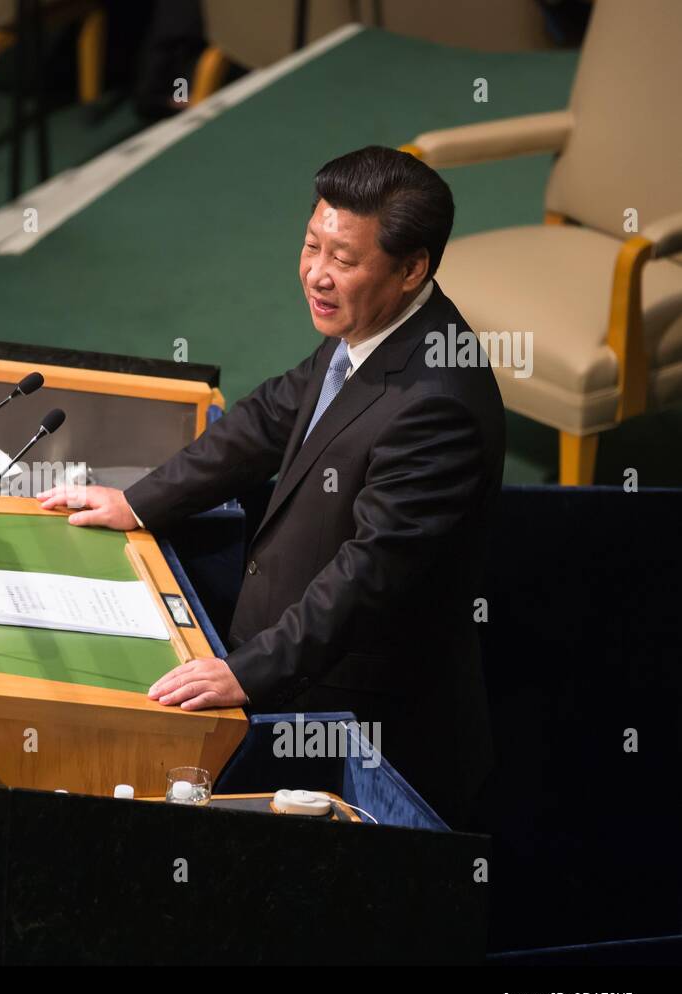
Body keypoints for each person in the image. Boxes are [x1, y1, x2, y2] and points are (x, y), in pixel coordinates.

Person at [37, 145, 505, 828]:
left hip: (361, 736)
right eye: (312, 245)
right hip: (292, 670)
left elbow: (368, 577)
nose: (316, 274)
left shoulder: (438, 403)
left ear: (412, 269)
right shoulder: (375, 324)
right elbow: (271, 417)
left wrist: (246, 672)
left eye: (343, 260)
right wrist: (140, 500)